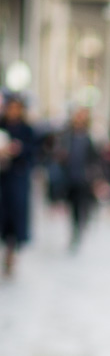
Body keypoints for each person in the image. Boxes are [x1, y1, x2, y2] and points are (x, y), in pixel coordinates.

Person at [0, 94, 35, 277]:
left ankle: (11, 253)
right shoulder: (3, 125)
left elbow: (33, 153)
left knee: (16, 215)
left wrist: (19, 150)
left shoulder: (26, 130)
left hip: (18, 178)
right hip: (3, 178)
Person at [57, 108, 103, 247]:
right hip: (69, 177)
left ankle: (79, 227)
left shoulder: (89, 137)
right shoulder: (67, 136)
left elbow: (95, 158)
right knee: (71, 205)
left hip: (83, 179)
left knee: (81, 205)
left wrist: (95, 176)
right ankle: (75, 229)